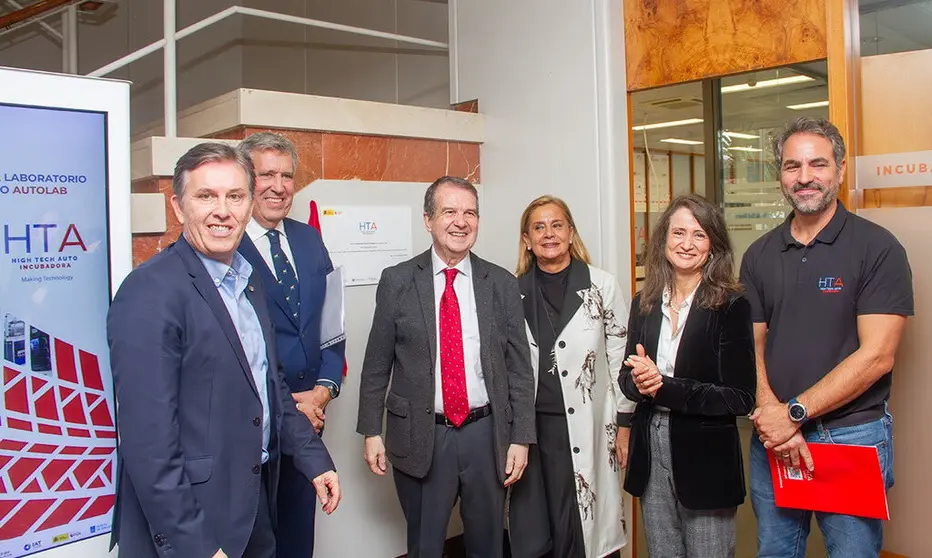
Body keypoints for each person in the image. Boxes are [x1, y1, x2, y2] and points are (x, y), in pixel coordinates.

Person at [107, 142, 341, 558]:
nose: (223, 210)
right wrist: (198, 546)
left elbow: (270, 391)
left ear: (249, 205)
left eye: (234, 196)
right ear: (178, 207)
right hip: (194, 526)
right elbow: (149, 447)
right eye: (206, 196)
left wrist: (313, 458)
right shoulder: (150, 291)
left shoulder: (246, 282)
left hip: (251, 507)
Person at [742, 117, 913, 557]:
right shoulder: (759, 254)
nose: (804, 177)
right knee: (775, 551)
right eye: (791, 166)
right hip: (774, 440)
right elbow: (751, 343)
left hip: (849, 436)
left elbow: (877, 356)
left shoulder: (878, 248)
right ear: (780, 174)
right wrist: (771, 413)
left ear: (840, 170)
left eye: (817, 164)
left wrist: (794, 413)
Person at [356, 176, 536, 558]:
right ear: (428, 220)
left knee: (488, 545)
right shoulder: (398, 281)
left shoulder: (501, 283)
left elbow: (520, 368)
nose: (461, 221)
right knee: (425, 546)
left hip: (486, 436)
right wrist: (371, 430)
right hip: (423, 435)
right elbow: (376, 364)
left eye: (470, 212)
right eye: (449, 211)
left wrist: (521, 436)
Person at [618, 194, 756, 558]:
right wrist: (641, 383)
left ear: (713, 246)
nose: (687, 244)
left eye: (699, 235)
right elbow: (626, 379)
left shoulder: (732, 305)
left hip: (706, 454)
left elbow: (740, 397)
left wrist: (664, 387)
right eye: (678, 233)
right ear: (663, 240)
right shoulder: (644, 302)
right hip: (651, 446)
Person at [236, 132, 345, 558]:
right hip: (254, 423)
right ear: (245, 178)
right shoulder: (226, 244)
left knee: (299, 538)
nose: (279, 186)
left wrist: (324, 389)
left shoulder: (308, 239)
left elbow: (331, 324)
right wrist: (291, 405)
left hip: (311, 422)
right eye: (266, 175)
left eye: (287, 176)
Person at [507, 195, 633, 558]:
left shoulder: (601, 285)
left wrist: (624, 424)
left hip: (589, 425)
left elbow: (619, 359)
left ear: (571, 232)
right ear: (527, 240)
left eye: (557, 224)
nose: (549, 234)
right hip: (533, 428)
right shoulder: (511, 291)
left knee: (583, 527)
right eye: (539, 227)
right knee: (535, 529)